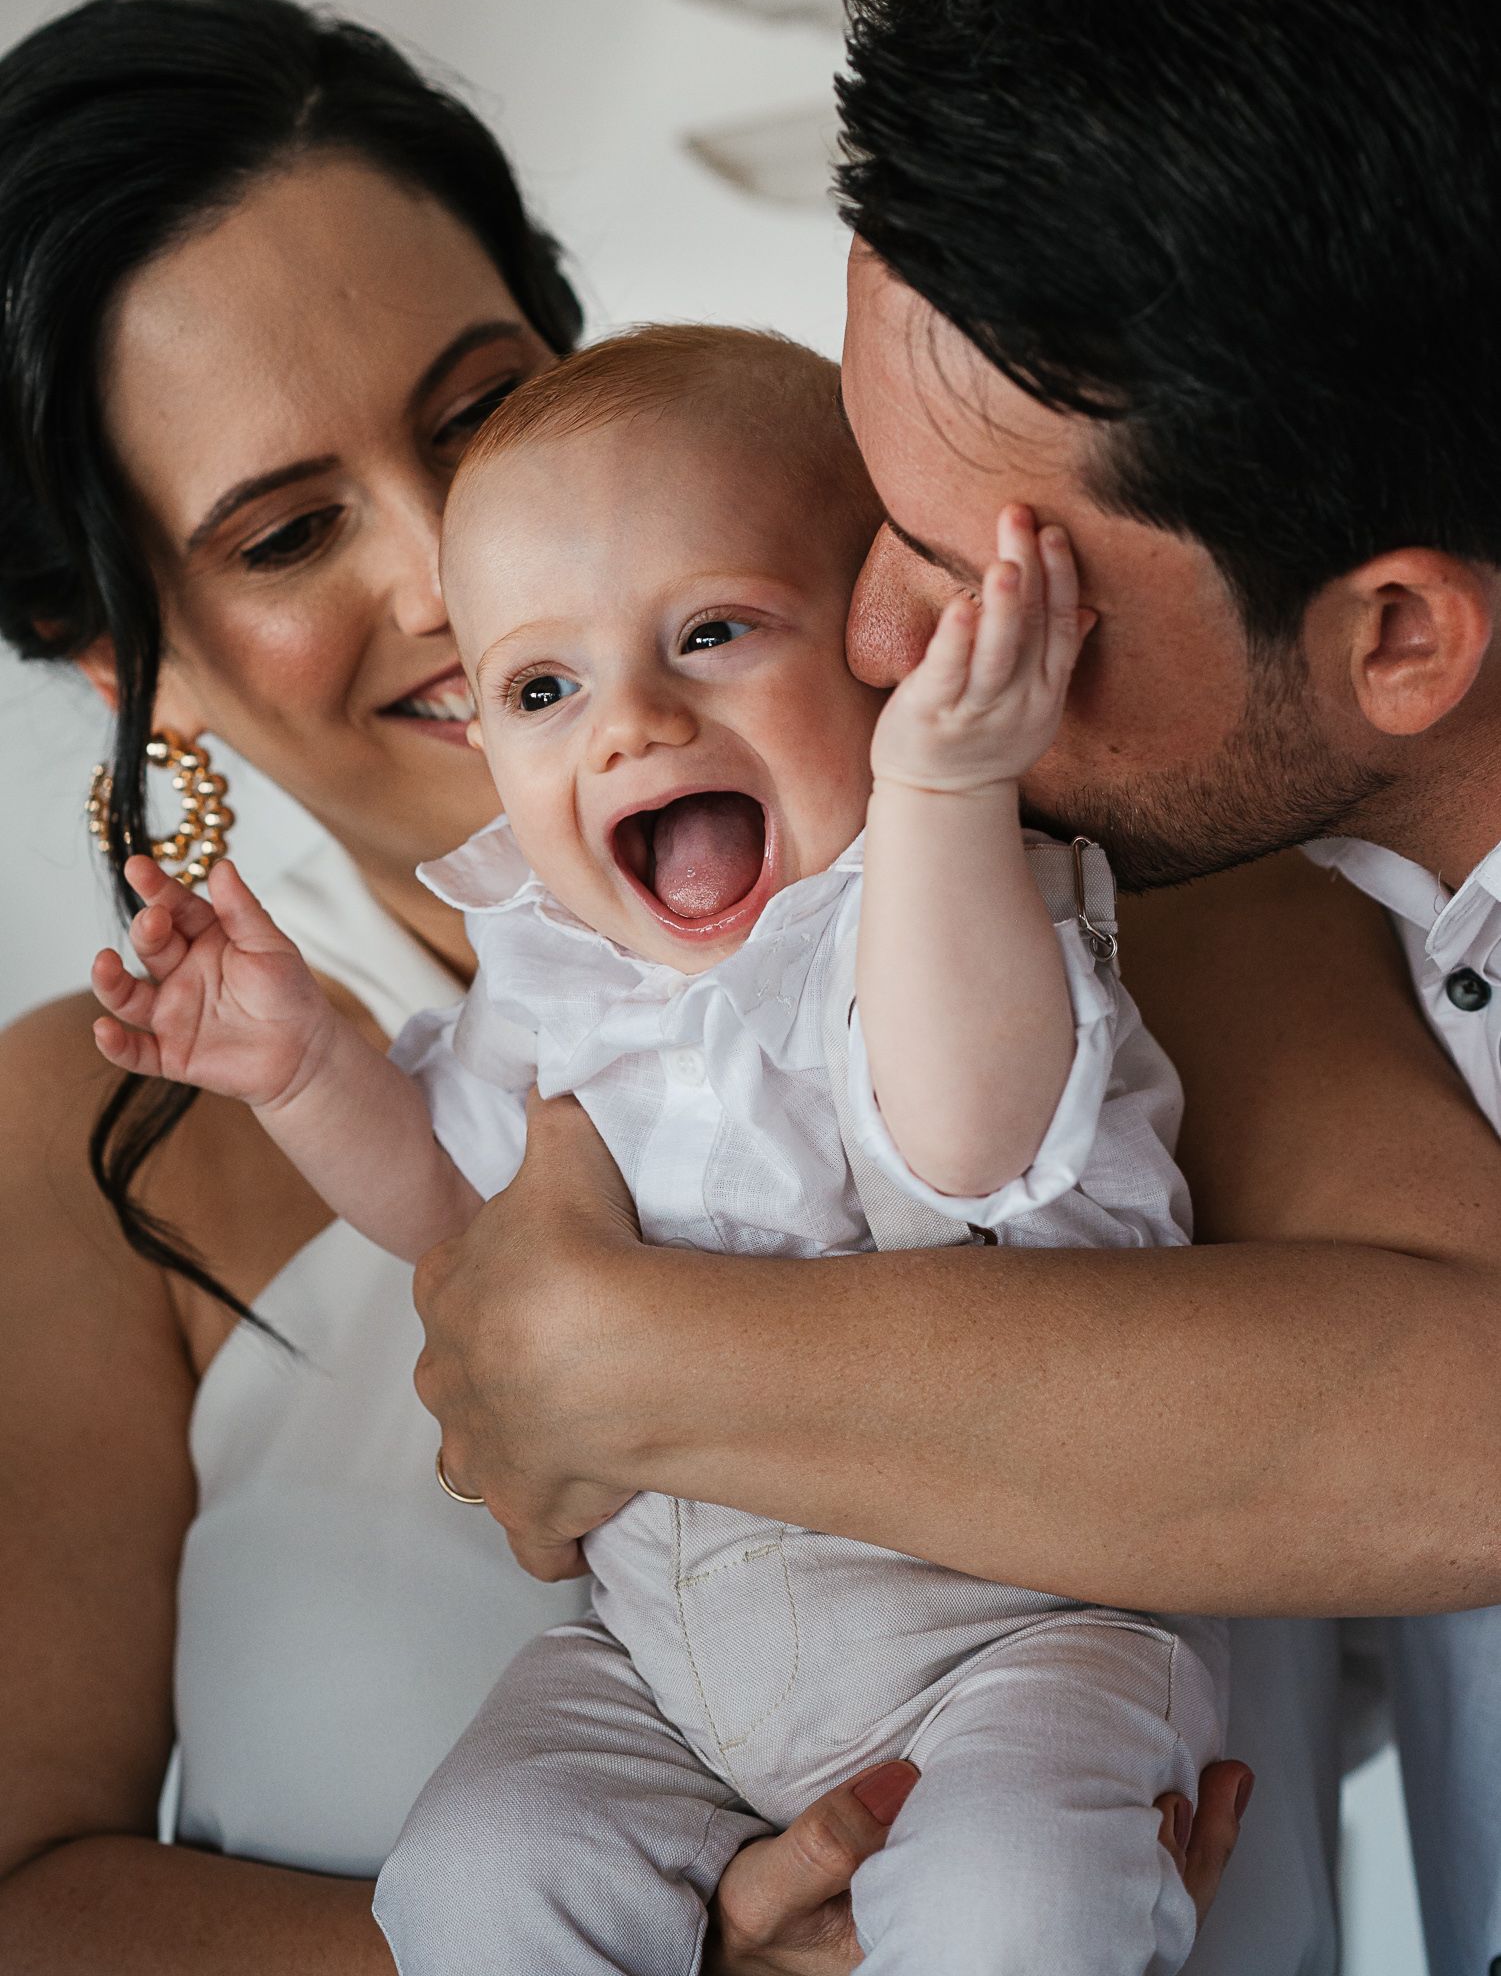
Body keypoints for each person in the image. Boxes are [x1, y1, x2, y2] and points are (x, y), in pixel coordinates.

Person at [407, 0, 1501, 1976]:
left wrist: (614, 1355)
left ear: (1394, 639)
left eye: (988, 576)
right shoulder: (1278, 919)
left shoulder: (1189, 944)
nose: (879, 645)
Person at [0, 0, 964, 1976]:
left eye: (473, 415)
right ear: (124, 666)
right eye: (285, 531)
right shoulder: (93, 1148)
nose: (454, 559)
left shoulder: (1114, 914)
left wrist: (648, 1369)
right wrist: (611, 1948)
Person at [90, 322, 1225, 1975]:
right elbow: (458, 1225)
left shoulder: (950, 907)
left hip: (1008, 1644)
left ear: (885, 645)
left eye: (709, 634)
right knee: (470, 1880)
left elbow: (968, 1144)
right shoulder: (559, 981)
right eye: (543, 687)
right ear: (483, 731)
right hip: (662, 1664)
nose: (626, 723)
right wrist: (303, 1067)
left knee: (1015, 1907)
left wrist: (940, 795)